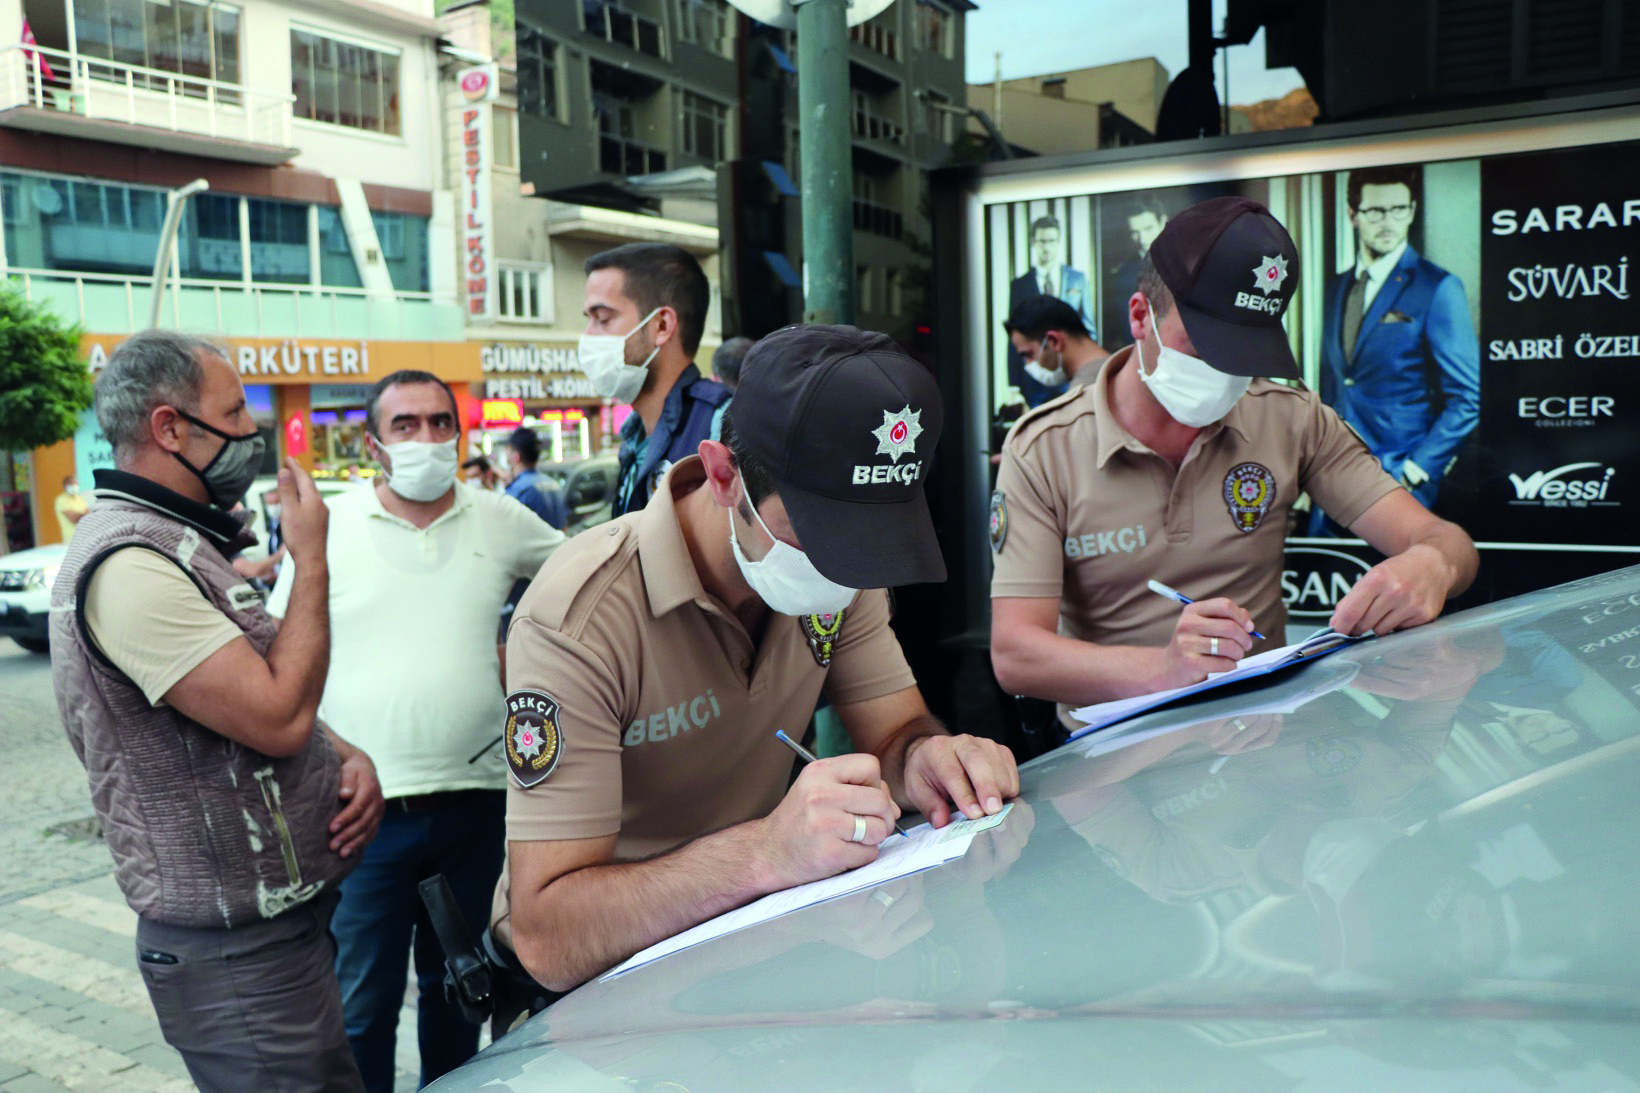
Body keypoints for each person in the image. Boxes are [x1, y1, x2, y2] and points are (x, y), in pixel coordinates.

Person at [490, 324, 1019, 1029]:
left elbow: (896, 730)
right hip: (607, 1005)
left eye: (866, 539)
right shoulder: (580, 618)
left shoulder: (842, 569)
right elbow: (548, 936)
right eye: (822, 534)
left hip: (761, 955)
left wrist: (930, 759)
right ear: (722, 475)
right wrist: (766, 852)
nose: (846, 566)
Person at [989, 197, 1478, 726]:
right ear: (1140, 318)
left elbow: (1447, 544)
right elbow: (1016, 654)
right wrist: (1165, 669)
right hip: (1109, 759)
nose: (1225, 374)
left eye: (1245, 353)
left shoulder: (1289, 418)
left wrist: (1433, 565)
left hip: (1261, 736)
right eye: (1205, 348)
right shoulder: (1045, 447)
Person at [47, 329, 383, 1092]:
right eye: (233, 413)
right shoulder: (130, 566)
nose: (250, 434)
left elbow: (239, 695)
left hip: (274, 939)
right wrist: (313, 556)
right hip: (238, 961)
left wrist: (345, 755)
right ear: (170, 428)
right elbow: (276, 716)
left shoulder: (177, 542)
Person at [266, 370, 564, 1092]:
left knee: (464, 991)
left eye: (439, 422)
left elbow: (588, 577)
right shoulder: (328, 529)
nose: (426, 438)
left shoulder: (499, 518)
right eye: (405, 425)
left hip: (481, 804)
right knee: (361, 1006)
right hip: (361, 819)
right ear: (374, 443)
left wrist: (527, 651)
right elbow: (277, 654)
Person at [1317, 165, 1480, 519]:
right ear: (1353, 215)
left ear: (1411, 211)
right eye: (1375, 211)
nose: (1388, 221)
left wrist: (1416, 469)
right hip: (1334, 482)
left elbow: (1467, 398)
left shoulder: (1437, 287)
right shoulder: (1337, 287)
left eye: (1399, 209)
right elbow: (1334, 385)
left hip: (1401, 485)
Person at [579, 243, 730, 518]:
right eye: (588, 319)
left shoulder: (721, 424)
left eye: (602, 319)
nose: (587, 336)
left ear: (661, 325)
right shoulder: (633, 435)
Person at [1007, 215, 1097, 408]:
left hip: (1071, 378)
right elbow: (1014, 339)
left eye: (1051, 241)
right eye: (1041, 241)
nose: (1046, 247)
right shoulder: (1019, 285)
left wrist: (1089, 371)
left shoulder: (1078, 279)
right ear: (1033, 242)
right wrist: (1013, 386)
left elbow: (1089, 329)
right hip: (1033, 382)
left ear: (1058, 242)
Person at [1004, 295, 1110, 393]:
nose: (1028, 364)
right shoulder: (1118, 369)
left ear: (1054, 341)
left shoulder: (1084, 393)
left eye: (1029, 354)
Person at [1105, 194, 1169, 351]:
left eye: (1148, 229)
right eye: (1135, 232)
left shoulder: (1186, 261)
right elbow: (1127, 329)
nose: (1142, 239)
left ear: (1163, 222)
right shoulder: (1123, 276)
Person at [503, 425, 568, 529]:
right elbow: (564, 526)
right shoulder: (553, 484)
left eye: (508, 449)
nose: (505, 453)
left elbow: (505, 527)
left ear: (516, 456)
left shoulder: (519, 490)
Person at [53, 474, 88, 543]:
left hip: (84, 538)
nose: (74, 486)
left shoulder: (80, 499)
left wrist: (81, 514)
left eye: (75, 483)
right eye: (70, 484)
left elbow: (90, 515)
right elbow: (73, 518)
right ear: (64, 486)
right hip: (71, 540)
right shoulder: (61, 500)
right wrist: (84, 514)